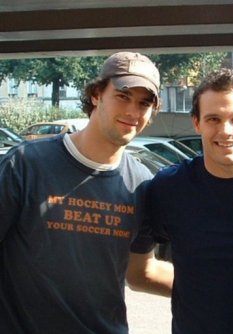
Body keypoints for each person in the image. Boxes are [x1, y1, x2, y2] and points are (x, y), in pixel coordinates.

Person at [0, 51, 173, 334]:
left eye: (144, 103)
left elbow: (142, 272)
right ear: (96, 95)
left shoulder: (142, 183)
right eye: (123, 96)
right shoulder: (26, 164)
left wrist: (226, 291)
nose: (133, 112)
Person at [127, 68, 233, 334]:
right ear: (196, 123)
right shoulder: (169, 188)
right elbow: (139, 273)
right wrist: (200, 288)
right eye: (213, 119)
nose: (226, 130)